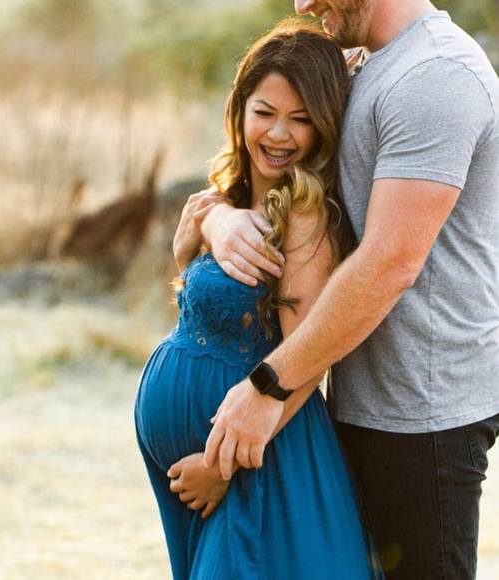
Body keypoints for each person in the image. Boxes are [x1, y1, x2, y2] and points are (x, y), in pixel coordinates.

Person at [175, 1, 499, 579]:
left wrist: (268, 389)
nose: (302, 6)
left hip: (418, 419)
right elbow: (283, 175)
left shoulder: (436, 75)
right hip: (353, 405)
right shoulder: (363, 64)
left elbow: (389, 262)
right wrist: (217, 219)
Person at [134, 20, 382, 580]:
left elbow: (307, 357)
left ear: (323, 127)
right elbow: (218, 316)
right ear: (240, 109)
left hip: (260, 465)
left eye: (301, 119)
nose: (279, 134)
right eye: (265, 112)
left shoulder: (304, 215)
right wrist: (189, 251)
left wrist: (222, 465)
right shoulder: (224, 202)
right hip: (210, 468)